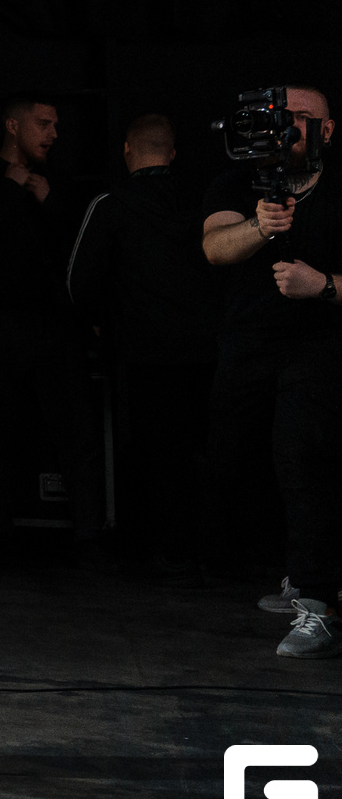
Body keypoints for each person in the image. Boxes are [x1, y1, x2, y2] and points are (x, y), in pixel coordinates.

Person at [200, 84, 342, 659]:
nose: (285, 127)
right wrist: (260, 227)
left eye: (300, 117)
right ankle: (303, 574)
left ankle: (318, 605)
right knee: (246, 464)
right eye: (278, 116)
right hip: (247, 348)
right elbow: (214, 247)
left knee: (304, 463)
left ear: (327, 130)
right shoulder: (238, 182)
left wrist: (323, 285)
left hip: (319, 349)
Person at [0, 91, 107, 567]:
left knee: (76, 430)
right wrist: (8, 190)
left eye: (56, 124)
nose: (53, 134)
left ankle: (90, 538)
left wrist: (49, 201)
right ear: (13, 126)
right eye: (44, 123)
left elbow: (80, 250)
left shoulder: (56, 181)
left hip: (53, 325)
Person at [65, 114, 219, 582]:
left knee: (156, 454)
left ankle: (166, 552)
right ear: (172, 154)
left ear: (127, 151)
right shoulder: (202, 200)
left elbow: (78, 282)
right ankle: (215, 550)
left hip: (143, 353)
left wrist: (98, 321)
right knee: (210, 449)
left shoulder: (111, 204)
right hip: (209, 350)